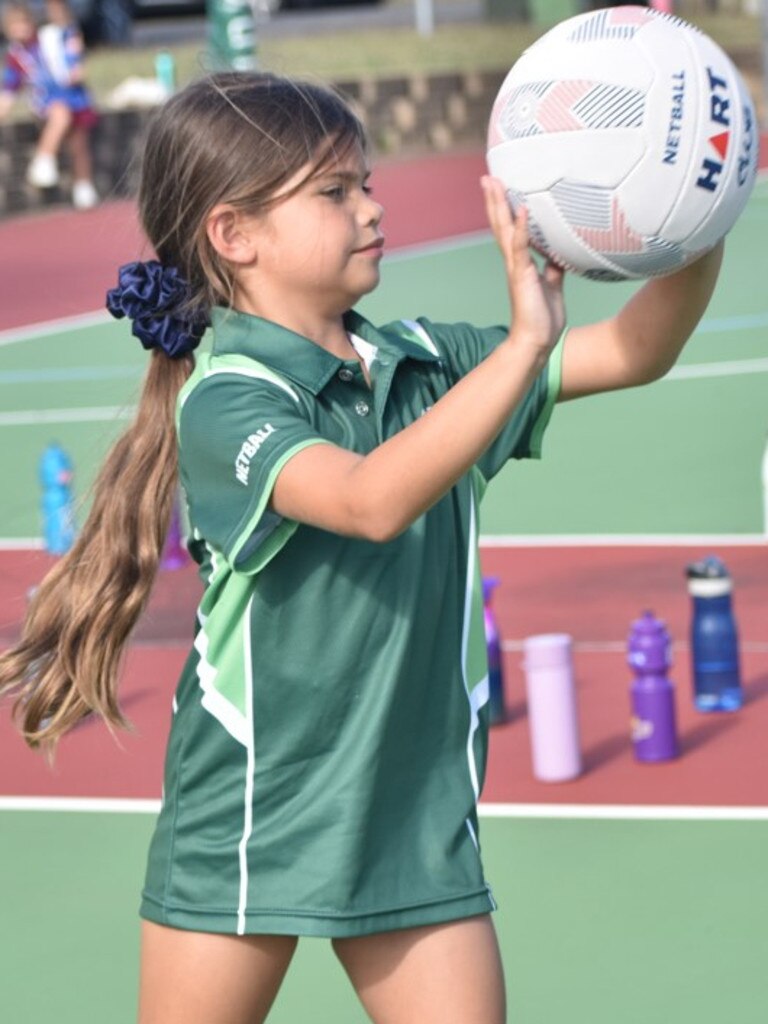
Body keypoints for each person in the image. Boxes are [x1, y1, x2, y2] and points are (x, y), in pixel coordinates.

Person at [0, 72, 723, 1023]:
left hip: (410, 814)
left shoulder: (425, 365)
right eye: (335, 192)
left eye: (366, 183)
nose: (373, 206)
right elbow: (367, 500)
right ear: (235, 234)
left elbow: (635, 351)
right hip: (256, 815)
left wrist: (698, 206)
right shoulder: (227, 399)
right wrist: (519, 349)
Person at [0, 0, 99, 209]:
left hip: (74, 96)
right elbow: (9, 90)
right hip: (47, 101)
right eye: (15, 26)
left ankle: (84, 185)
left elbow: (67, 29)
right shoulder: (15, 56)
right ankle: (43, 159)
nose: (21, 30)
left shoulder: (49, 37)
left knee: (79, 144)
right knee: (60, 114)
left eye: (24, 23)